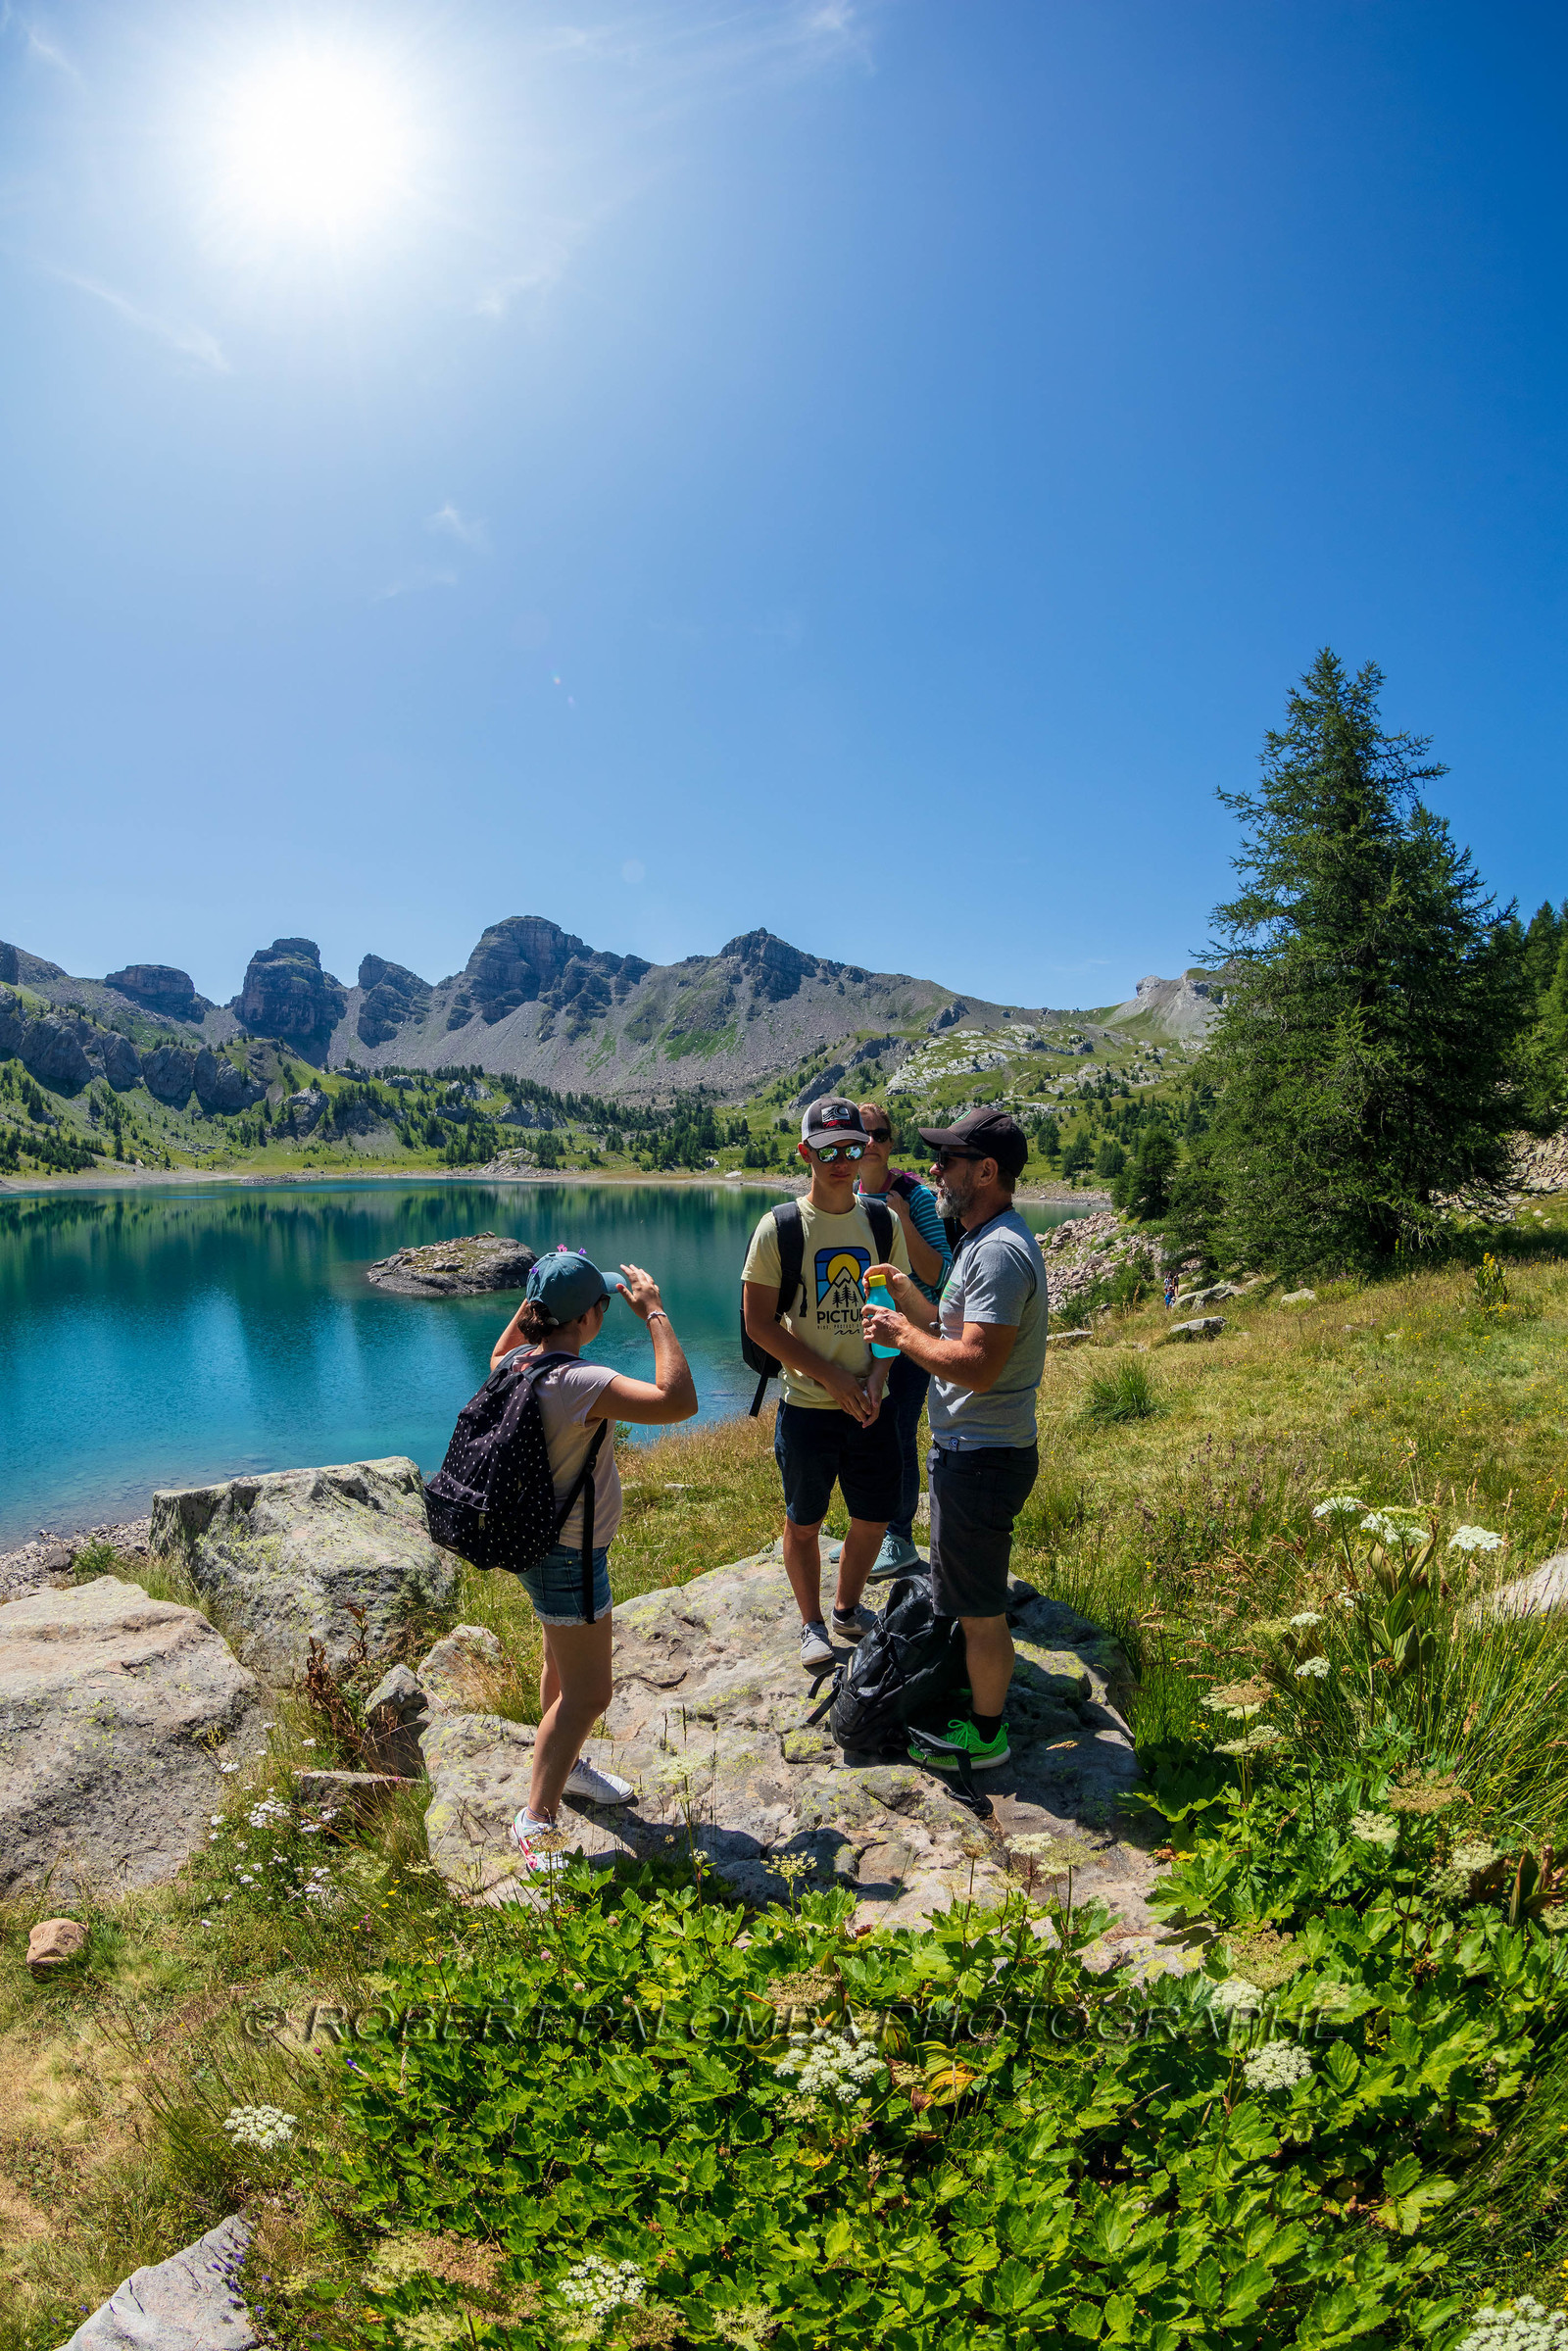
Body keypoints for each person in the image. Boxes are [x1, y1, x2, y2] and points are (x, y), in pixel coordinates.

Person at [491, 1245, 697, 1877]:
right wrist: (656, 1314)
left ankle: (568, 1768)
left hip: (534, 1545)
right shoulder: (579, 1382)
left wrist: (540, 1289)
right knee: (589, 1695)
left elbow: (507, 1344)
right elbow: (677, 1400)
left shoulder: (511, 1364)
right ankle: (538, 1817)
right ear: (589, 1318)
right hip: (569, 1556)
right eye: (601, 1305)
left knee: (562, 1661)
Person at [860, 1106, 1049, 1772]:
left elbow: (978, 1363)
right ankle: (977, 1687)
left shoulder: (997, 1251)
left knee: (979, 1605)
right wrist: (909, 1294)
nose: (934, 1170)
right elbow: (953, 1325)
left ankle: (986, 1733)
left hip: (982, 1456)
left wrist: (901, 1338)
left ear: (988, 1171)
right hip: (971, 1451)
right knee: (967, 1592)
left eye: (949, 1161)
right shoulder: (981, 1235)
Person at [741, 1098, 912, 1669]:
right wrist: (834, 1377)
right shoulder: (781, 1228)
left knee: (873, 1516)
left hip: (873, 1403)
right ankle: (811, 1623)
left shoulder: (882, 1222)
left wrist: (879, 1373)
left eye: (852, 1149)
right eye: (827, 1150)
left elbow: (893, 1310)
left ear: (867, 1151)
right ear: (805, 1153)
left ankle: (846, 1608)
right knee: (805, 1520)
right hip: (809, 1407)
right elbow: (758, 1323)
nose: (841, 1161)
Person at [836, 1101, 952, 1578]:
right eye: (860, 1136)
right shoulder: (846, 1196)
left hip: (908, 1336)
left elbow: (940, 1274)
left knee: (898, 1432)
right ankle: (872, 1526)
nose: (870, 1144)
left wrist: (901, 1218)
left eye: (879, 1134)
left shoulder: (915, 1196)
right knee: (864, 1428)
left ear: (890, 1141)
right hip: (861, 1335)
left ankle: (898, 1536)